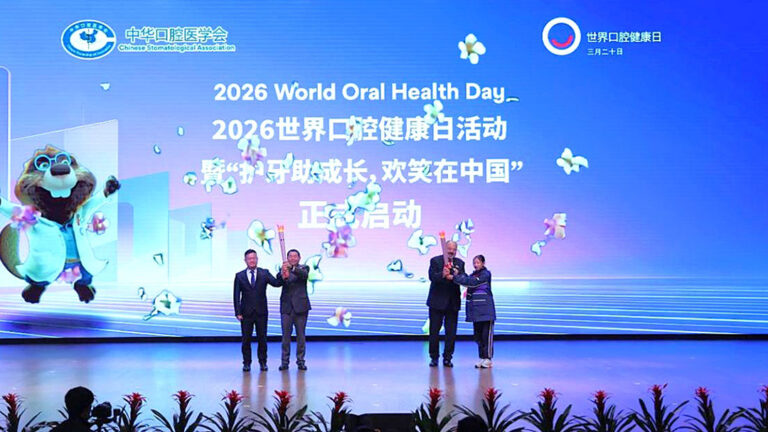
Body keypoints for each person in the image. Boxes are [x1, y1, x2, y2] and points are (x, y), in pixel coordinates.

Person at [234, 249, 282, 372]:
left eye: (254, 258)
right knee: (246, 339)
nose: (252, 260)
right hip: (246, 313)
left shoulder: (264, 273)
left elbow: (277, 283)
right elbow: (236, 295)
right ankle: (246, 363)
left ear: (257, 259)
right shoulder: (239, 275)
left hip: (261, 312)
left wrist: (282, 272)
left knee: (262, 338)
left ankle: (263, 362)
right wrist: (238, 312)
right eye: (249, 258)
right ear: (245, 260)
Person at [453, 255, 496, 368]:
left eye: (478, 262)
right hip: (476, 311)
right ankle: (482, 357)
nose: (476, 265)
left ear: (483, 263)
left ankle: (488, 358)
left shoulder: (485, 274)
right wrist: (456, 274)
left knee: (486, 336)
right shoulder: (473, 275)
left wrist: (454, 277)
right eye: (474, 263)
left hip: (486, 311)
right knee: (478, 336)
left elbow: (471, 282)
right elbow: (466, 280)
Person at [426, 241, 465, 367]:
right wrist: (442, 274)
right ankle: (434, 357)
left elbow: (464, 279)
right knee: (434, 331)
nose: (451, 251)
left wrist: (457, 275)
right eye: (449, 249)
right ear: (444, 249)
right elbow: (432, 277)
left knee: (451, 333)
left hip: (452, 303)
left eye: (454, 249)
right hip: (436, 302)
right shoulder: (435, 261)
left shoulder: (460, 263)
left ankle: (448, 358)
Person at [276, 248, 311, 371]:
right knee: (285, 337)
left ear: (299, 258)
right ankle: (284, 362)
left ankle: (300, 361)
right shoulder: (284, 269)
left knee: (301, 336)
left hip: (301, 308)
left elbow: (303, 275)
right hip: (286, 308)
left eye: (295, 256)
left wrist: (291, 268)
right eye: (290, 256)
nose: (293, 258)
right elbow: (278, 282)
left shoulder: (304, 268)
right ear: (287, 258)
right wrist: (282, 273)